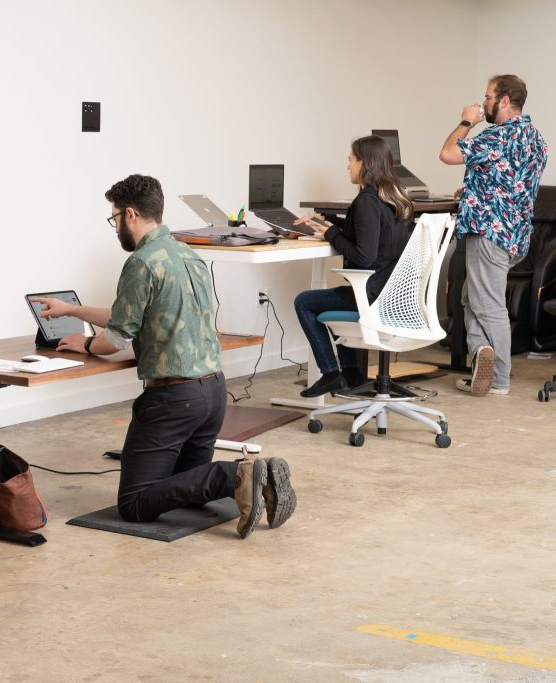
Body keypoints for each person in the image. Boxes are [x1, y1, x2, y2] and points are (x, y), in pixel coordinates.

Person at [30, 174, 295, 539]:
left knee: (136, 503)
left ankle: (237, 474)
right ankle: (254, 477)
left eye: (114, 218)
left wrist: (87, 345)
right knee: (182, 490)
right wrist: (73, 311)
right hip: (213, 394)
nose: (115, 227)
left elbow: (117, 340)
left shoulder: (141, 262)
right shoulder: (188, 253)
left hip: (173, 401)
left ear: (131, 214)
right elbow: (134, 313)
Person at [439, 74, 548, 396]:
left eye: (487, 97)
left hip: (489, 231)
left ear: (503, 100)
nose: (482, 103)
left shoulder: (497, 135)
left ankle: (498, 377)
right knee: (470, 298)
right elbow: (512, 178)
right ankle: (482, 354)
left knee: (488, 305)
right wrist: (474, 187)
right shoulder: (533, 136)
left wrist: (465, 122)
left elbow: (447, 154)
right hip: (514, 233)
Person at [292, 136, 414, 397]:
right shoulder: (394, 199)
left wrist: (329, 234)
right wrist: (326, 221)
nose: (347, 166)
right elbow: (363, 231)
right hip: (392, 296)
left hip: (371, 298)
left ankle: (331, 373)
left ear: (364, 163)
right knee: (335, 300)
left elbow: (363, 256)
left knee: (304, 302)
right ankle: (353, 375)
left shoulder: (367, 202)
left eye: (351, 160)